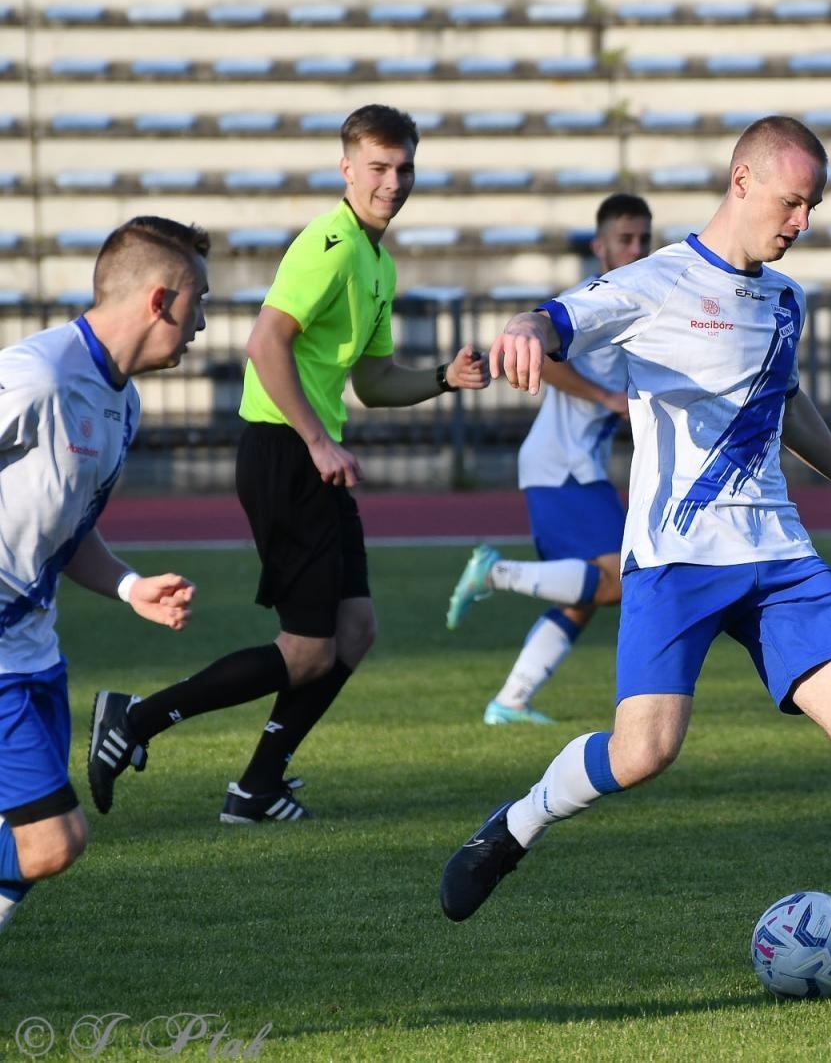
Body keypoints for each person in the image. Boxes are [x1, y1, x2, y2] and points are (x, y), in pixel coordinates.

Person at [438, 116, 831, 989]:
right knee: (645, 752)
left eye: (813, 207)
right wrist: (521, 327)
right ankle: (514, 826)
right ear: (742, 182)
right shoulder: (655, 281)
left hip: (777, 552)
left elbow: (785, 399)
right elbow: (557, 317)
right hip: (675, 557)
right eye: (792, 202)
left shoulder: (785, 298)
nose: (802, 222)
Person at [86, 104, 488, 824]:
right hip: (285, 451)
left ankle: (258, 786)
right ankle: (135, 720)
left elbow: (373, 380)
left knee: (354, 631)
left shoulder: (377, 262)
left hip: (312, 458)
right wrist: (317, 440)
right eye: (378, 167)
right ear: (347, 170)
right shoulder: (329, 245)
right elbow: (265, 344)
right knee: (306, 651)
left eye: (404, 168)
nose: (393, 182)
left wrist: (441, 379)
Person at [0, 217, 207, 932]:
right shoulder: (36, 377)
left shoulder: (123, 402)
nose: (203, 324)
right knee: (53, 842)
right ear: (160, 301)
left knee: (34, 849)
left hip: (37, 656)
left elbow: (68, 529)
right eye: (197, 302)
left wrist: (127, 585)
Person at [444, 193, 652, 726]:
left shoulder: (638, 303)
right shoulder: (587, 300)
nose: (636, 248)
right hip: (564, 466)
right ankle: (496, 574)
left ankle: (510, 701)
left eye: (643, 239)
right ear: (599, 246)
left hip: (570, 465)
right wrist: (607, 399)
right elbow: (541, 355)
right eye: (625, 239)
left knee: (583, 595)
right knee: (622, 580)